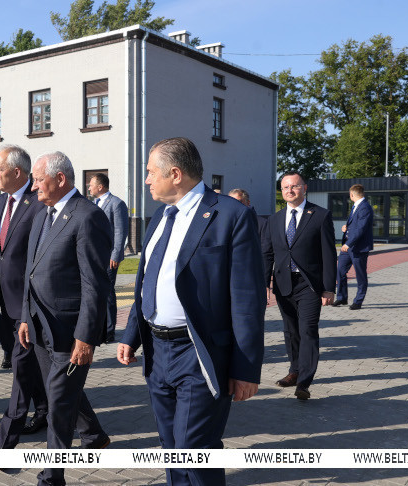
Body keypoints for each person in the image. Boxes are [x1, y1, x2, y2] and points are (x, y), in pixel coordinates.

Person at [117, 137, 266, 486]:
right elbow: (147, 281)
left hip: (199, 352)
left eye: (151, 172)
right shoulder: (160, 216)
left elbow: (247, 298)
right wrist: (131, 335)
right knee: (172, 447)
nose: (146, 179)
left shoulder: (231, 215)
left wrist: (246, 369)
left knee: (193, 448)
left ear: (175, 174)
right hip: (157, 352)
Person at [19, 151, 111, 486]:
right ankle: (94, 435)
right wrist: (25, 316)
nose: (33, 186)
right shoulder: (41, 214)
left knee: (58, 404)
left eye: (38, 179)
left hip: (69, 331)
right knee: (60, 391)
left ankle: (51, 476)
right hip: (40, 325)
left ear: (60, 179)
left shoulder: (88, 217)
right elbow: (31, 271)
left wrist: (85, 338)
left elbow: (95, 284)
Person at [0, 145, 50, 447]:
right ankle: (83, 427)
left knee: (21, 368)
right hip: (6, 303)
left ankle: (6, 441)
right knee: (36, 366)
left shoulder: (38, 204)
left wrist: (29, 306)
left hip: (30, 305)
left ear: (17, 172)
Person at [262, 171, 336, 401]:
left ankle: (304, 381)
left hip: (309, 285)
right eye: (285, 187)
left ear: (304, 188)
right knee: (291, 331)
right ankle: (294, 371)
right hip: (284, 283)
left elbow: (328, 254)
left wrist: (329, 288)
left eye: (294, 186)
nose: (290, 191)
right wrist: (264, 284)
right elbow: (267, 254)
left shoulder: (320, 215)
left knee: (307, 330)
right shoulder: (274, 219)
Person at [87, 173, 128, 343]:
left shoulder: (116, 204)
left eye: (91, 185)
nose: (89, 187)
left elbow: (120, 231)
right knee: (96, 292)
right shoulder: (94, 204)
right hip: (95, 256)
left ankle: (109, 332)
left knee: (108, 293)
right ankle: (100, 329)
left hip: (109, 257)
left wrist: (116, 254)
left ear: (100, 186)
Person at [333, 184, 374, 310]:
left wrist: (348, 243)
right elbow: (355, 225)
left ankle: (358, 301)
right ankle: (341, 297)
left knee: (360, 274)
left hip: (358, 247)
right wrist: (346, 228)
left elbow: (361, 229)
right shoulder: (356, 206)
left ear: (352, 195)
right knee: (340, 271)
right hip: (348, 246)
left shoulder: (365, 207)